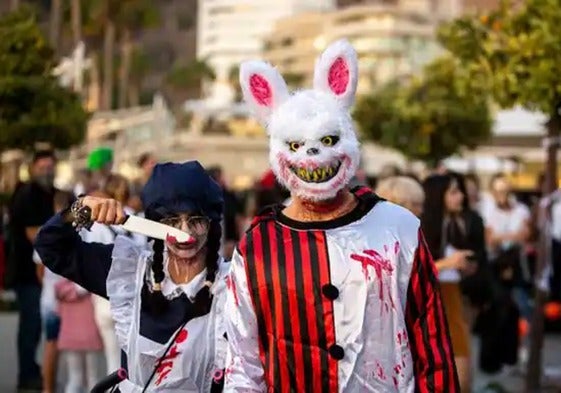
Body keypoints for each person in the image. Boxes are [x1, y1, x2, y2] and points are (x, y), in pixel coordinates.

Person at [225, 39, 459, 392]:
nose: (313, 154)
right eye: (295, 145)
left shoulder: (399, 229)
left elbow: (432, 349)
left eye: (328, 140)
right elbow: (243, 364)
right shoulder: (258, 246)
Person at [35, 161, 229, 392]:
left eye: (196, 220)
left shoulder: (233, 285)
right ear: (157, 224)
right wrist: (81, 209)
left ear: (211, 224)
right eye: (173, 221)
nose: (184, 232)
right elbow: (51, 248)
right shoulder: (130, 273)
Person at [80, 174, 147, 375]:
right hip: (134, 296)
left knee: (112, 360)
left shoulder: (97, 222)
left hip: (104, 295)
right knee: (133, 361)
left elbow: (87, 258)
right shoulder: (140, 220)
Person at [7, 149, 59, 392]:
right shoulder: (28, 194)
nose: (47, 170)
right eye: (42, 166)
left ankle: (31, 370)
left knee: (38, 325)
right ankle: (26, 375)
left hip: (44, 270)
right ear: (33, 168)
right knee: (31, 324)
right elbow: (32, 234)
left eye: (50, 166)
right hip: (28, 272)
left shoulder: (52, 193)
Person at [34, 191, 74, 393]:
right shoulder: (76, 231)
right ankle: (58, 387)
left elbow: (39, 270)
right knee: (68, 348)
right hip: (70, 300)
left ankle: (48, 389)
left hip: (51, 299)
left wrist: (49, 287)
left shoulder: (47, 231)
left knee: (52, 345)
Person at [55, 277, 103, 393]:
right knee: (93, 377)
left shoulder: (60, 288)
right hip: (90, 338)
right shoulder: (92, 286)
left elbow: (57, 312)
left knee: (74, 378)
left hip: (69, 338)